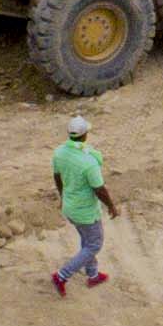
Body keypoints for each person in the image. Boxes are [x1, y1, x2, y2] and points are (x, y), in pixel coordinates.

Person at [49, 114, 115, 295]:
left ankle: (93, 275)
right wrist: (111, 206)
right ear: (85, 135)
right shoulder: (89, 162)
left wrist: (63, 196)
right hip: (85, 212)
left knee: (87, 241)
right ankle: (62, 275)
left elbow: (57, 176)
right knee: (94, 245)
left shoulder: (59, 152)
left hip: (69, 207)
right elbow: (99, 189)